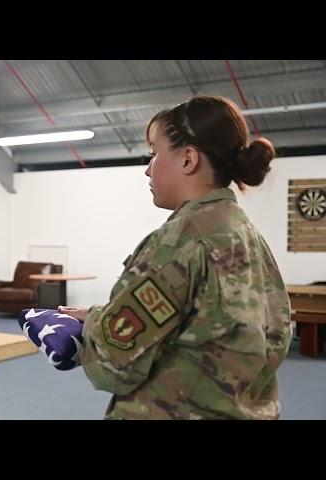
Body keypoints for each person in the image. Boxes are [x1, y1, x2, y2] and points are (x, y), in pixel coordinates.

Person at [59, 95, 292, 420]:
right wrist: (103, 313)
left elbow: (113, 365)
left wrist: (94, 326)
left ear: (187, 160)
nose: (147, 169)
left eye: (154, 153)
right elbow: (277, 336)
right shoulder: (246, 233)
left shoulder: (181, 241)